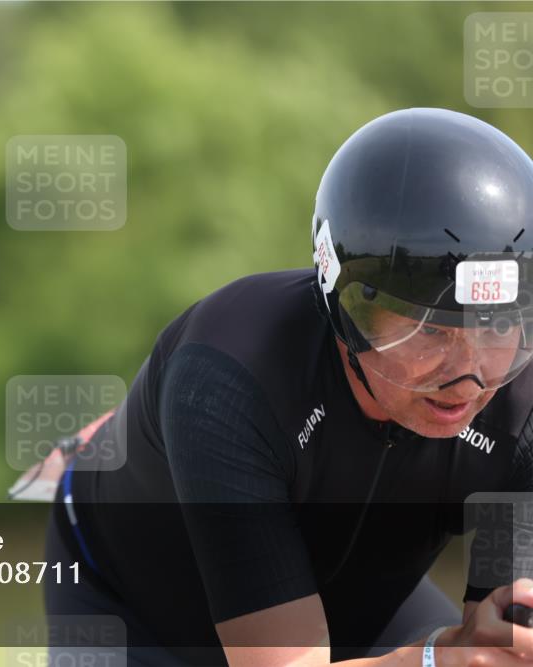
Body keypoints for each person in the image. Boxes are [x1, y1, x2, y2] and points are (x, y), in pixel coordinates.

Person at [42, 108, 533, 667]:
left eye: (497, 328)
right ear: (347, 307)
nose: (468, 378)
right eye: (434, 330)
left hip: (352, 602)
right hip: (139, 610)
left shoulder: (523, 409)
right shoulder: (229, 376)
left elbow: (496, 644)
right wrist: (430, 659)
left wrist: (482, 650)